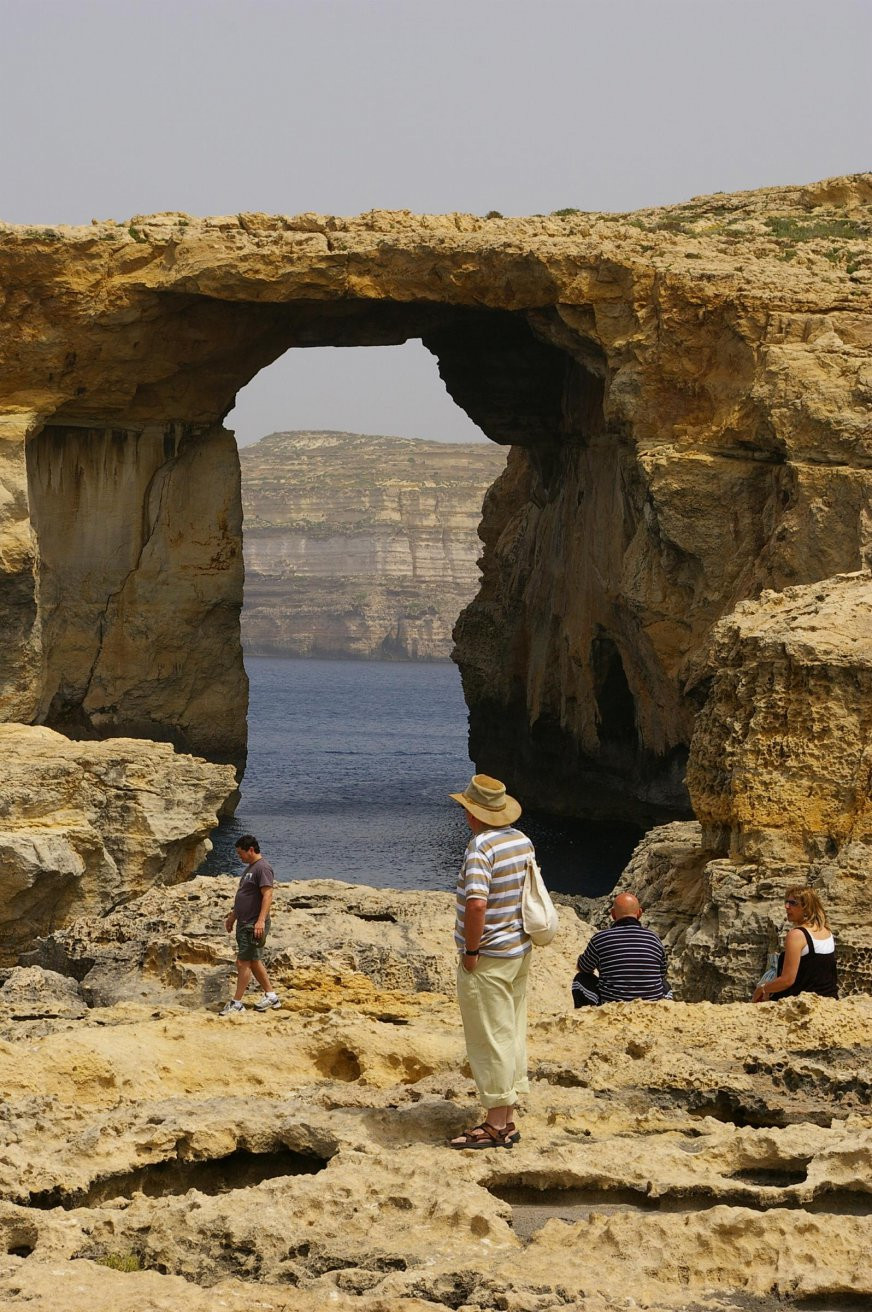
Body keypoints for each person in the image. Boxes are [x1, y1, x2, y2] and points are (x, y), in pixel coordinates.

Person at [447, 774, 534, 1150]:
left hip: (490, 957)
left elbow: (477, 904)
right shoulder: (521, 840)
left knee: (489, 1038)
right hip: (518, 950)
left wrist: (471, 951)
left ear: (472, 813)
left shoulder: (480, 847)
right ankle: (507, 1117)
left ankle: (496, 1124)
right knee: (510, 1032)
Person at [572, 892, 672, 1007]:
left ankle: (587, 1016)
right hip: (651, 1005)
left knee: (580, 979)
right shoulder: (654, 938)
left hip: (614, 1006)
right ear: (639, 913)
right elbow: (662, 973)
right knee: (666, 986)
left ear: (613, 914)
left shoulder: (600, 939)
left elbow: (583, 968)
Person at [220, 834, 281, 1015]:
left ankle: (237, 1003)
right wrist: (233, 917)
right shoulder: (250, 869)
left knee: (243, 962)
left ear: (251, 850)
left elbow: (267, 895)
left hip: (253, 924)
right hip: (244, 922)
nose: (239, 857)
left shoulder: (263, 868)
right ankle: (271, 996)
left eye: (241, 853)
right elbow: (244, 896)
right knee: (253, 961)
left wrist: (260, 921)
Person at [752, 886, 838, 1002]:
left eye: (793, 903)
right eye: (786, 902)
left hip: (802, 1004)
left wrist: (762, 988)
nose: (786, 906)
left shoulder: (797, 935)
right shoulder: (826, 931)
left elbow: (787, 980)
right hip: (829, 1001)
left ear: (806, 907)